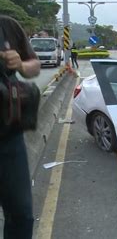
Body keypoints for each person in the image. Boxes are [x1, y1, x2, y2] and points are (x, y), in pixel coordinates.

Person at [0, 15, 41, 239]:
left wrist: (21, 65)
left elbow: (34, 65)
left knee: (21, 215)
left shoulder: (7, 26)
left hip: (9, 140)